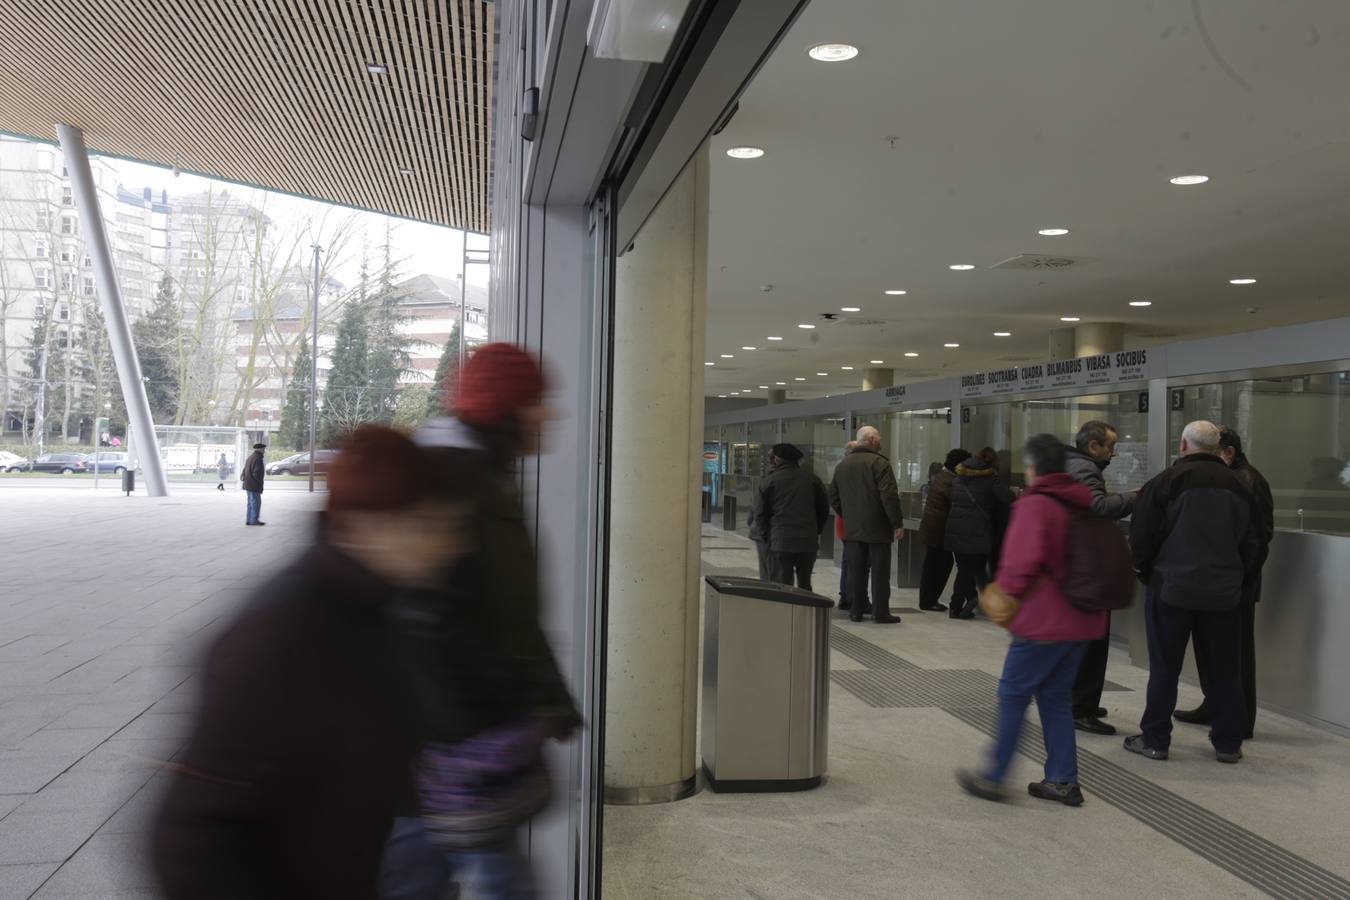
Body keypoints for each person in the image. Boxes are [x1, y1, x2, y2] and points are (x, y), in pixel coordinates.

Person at [152, 426, 469, 900]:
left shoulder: (376, 609)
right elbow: (192, 832)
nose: (452, 545)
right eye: (431, 526)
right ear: (368, 525)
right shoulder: (282, 633)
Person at [383, 343, 582, 900]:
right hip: (450, 756)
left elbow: (510, 614)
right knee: (475, 879)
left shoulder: (486, 477)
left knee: (436, 875)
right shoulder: (454, 482)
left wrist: (549, 700)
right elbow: (424, 624)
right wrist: (470, 736)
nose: (550, 413)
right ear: (507, 409)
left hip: (460, 753)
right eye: (538, 401)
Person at [957, 435, 1105, 806]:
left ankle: (994, 776)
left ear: (1033, 467)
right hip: (1081, 621)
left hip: (1043, 622)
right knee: (1055, 698)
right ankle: (1062, 779)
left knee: (1012, 695)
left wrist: (999, 596)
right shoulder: (1081, 501)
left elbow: (1020, 567)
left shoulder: (1036, 505)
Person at [1125, 420, 1260, 764]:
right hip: (1223, 593)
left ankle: (1155, 739)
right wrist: (1237, 577)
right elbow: (1255, 542)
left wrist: (1146, 572)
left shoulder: (1165, 482)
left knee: (1165, 668)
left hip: (1170, 589)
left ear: (1184, 445)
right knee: (1225, 670)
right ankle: (1228, 743)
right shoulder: (1241, 486)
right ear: (1217, 449)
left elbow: (1142, 535)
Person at [1175, 426, 1273, 738]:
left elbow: (1259, 538)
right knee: (1209, 650)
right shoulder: (1228, 479)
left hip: (1236, 585)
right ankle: (1214, 704)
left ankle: (1240, 720)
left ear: (1228, 453)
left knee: (1237, 655)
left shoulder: (1247, 481)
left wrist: (1238, 576)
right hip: (1219, 581)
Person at [1064, 420, 1138, 736]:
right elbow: (1097, 507)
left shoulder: (1073, 464)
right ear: (1093, 446)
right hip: (1086, 569)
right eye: (1111, 446)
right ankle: (1080, 708)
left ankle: (1082, 702)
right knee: (1091, 643)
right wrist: (1136, 496)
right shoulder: (1084, 468)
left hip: (1076, 567)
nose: (1114, 453)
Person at [828, 426, 904, 624]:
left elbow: (833, 496)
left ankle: (856, 610)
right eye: (879, 438)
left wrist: (848, 514)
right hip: (878, 528)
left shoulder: (843, 464)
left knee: (856, 571)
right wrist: (897, 523)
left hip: (853, 528)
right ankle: (880, 612)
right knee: (880, 572)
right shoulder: (880, 463)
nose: (880, 441)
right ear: (871, 439)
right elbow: (889, 496)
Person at [943, 448, 1011, 619]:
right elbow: (1008, 498)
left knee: (965, 569)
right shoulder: (992, 481)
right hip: (977, 531)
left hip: (956, 529)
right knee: (971, 570)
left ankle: (966, 602)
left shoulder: (959, 478)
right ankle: (958, 605)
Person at [753, 443, 829, 592]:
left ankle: (784, 606)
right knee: (805, 584)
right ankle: (805, 605)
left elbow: (760, 513)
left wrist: (766, 535)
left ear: (776, 460)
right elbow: (823, 509)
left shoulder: (769, 481)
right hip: (808, 540)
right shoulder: (813, 480)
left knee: (782, 584)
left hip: (780, 540)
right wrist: (816, 530)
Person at [917, 448, 972, 612]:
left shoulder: (942, 477)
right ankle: (929, 600)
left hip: (934, 531)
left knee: (933, 565)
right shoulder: (951, 481)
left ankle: (927, 599)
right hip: (939, 532)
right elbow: (958, 503)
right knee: (939, 566)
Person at [241, 442, 266, 525]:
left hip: (248, 484)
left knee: (250, 503)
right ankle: (254, 520)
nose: (264, 451)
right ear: (260, 449)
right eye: (263, 449)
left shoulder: (250, 457)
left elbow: (244, 470)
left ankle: (249, 520)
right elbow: (257, 473)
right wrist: (259, 483)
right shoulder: (258, 458)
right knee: (256, 503)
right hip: (254, 485)